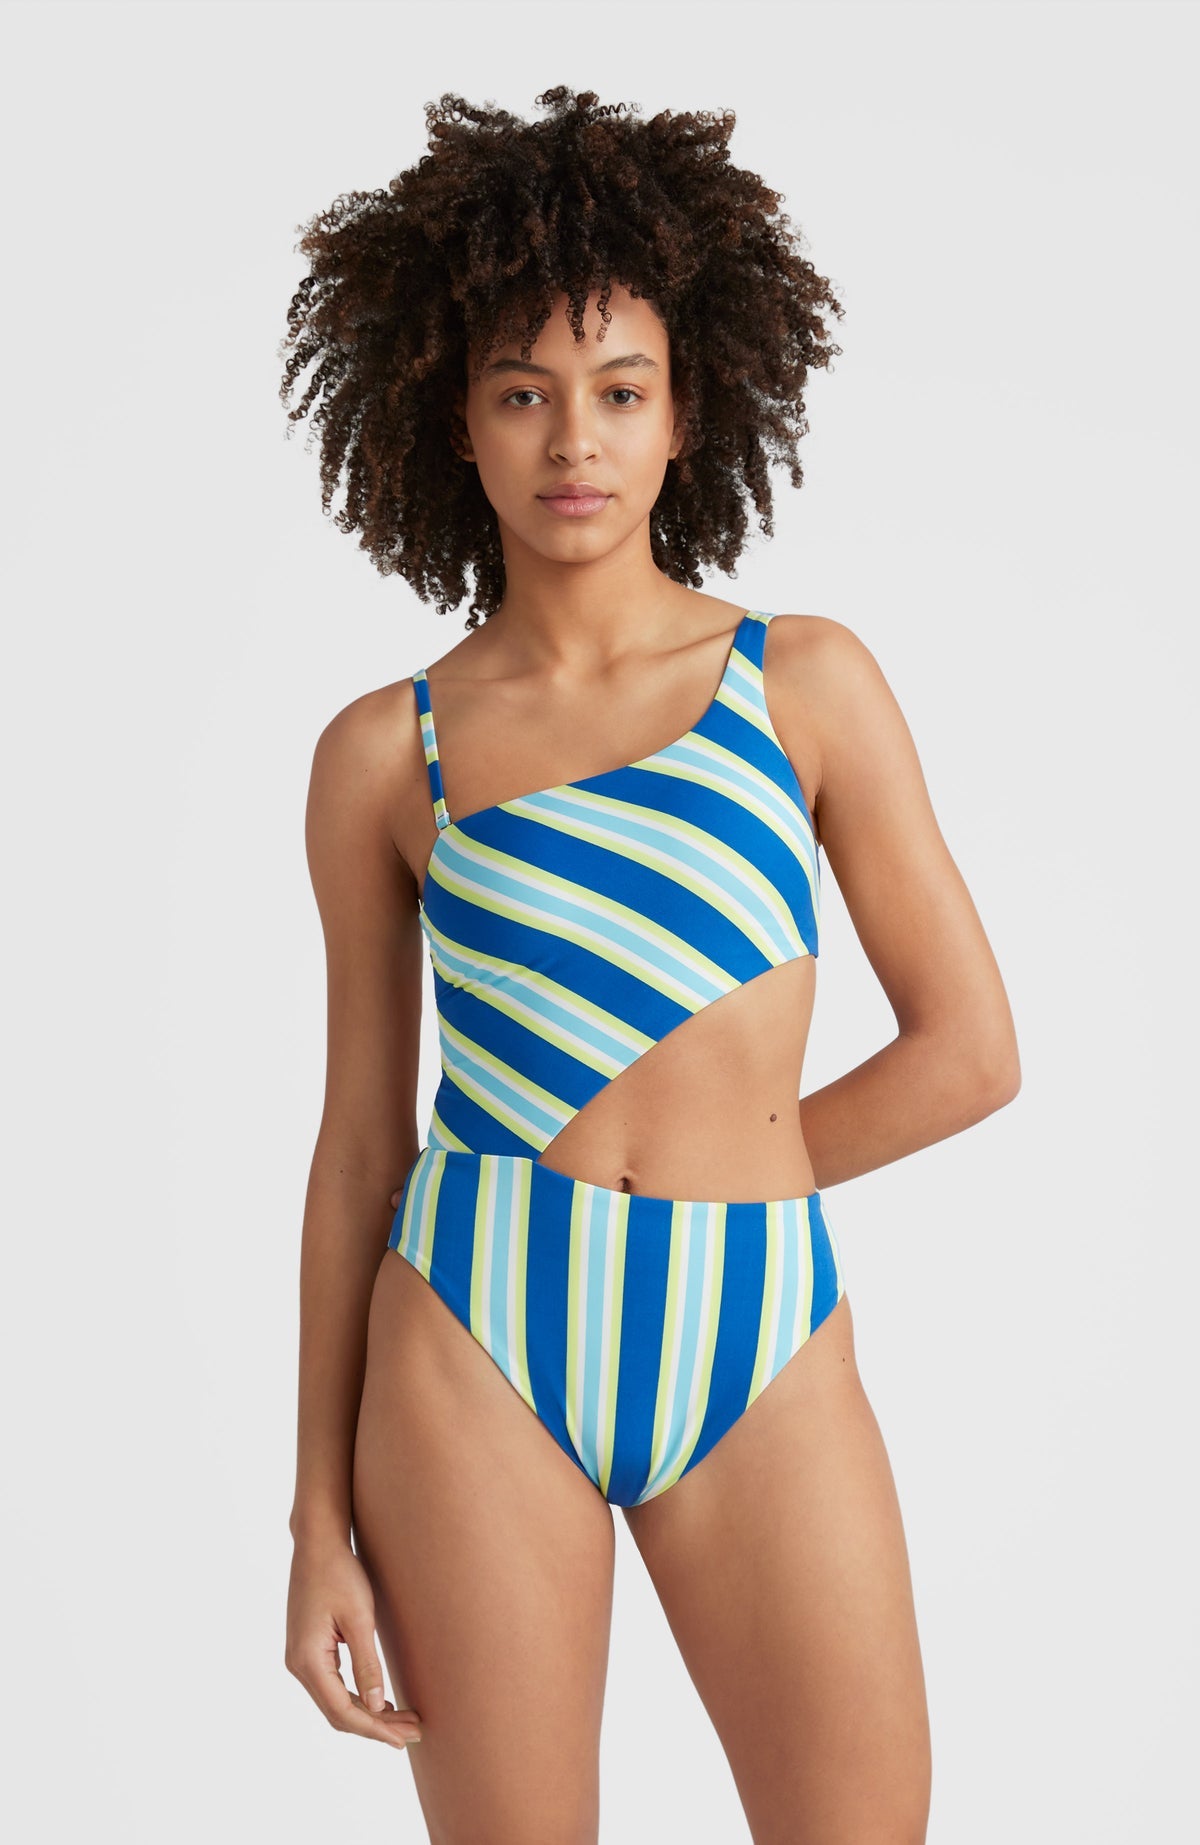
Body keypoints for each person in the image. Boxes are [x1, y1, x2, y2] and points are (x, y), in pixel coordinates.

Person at [280, 85, 1020, 1844]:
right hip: (471, 1331)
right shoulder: (385, 755)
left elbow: (972, 1049)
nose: (574, 441)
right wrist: (314, 1515)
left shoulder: (804, 684)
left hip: (752, 1324)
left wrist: (733, 1170)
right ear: (453, 419)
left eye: (620, 391)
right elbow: (361, 1148)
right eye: (522, 392)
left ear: (689, 413)